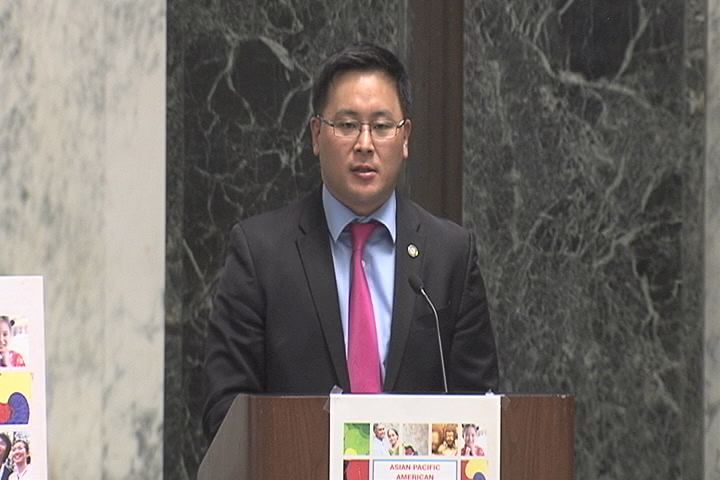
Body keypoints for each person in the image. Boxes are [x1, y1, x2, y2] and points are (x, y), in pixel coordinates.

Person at [203, 42, 499, 440]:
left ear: (405, 138)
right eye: (346, 125)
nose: (365, 144)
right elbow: (225, 412)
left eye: (382, 126)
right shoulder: (260, 254)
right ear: (316, 134)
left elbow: (480, 413)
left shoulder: (450, 255)